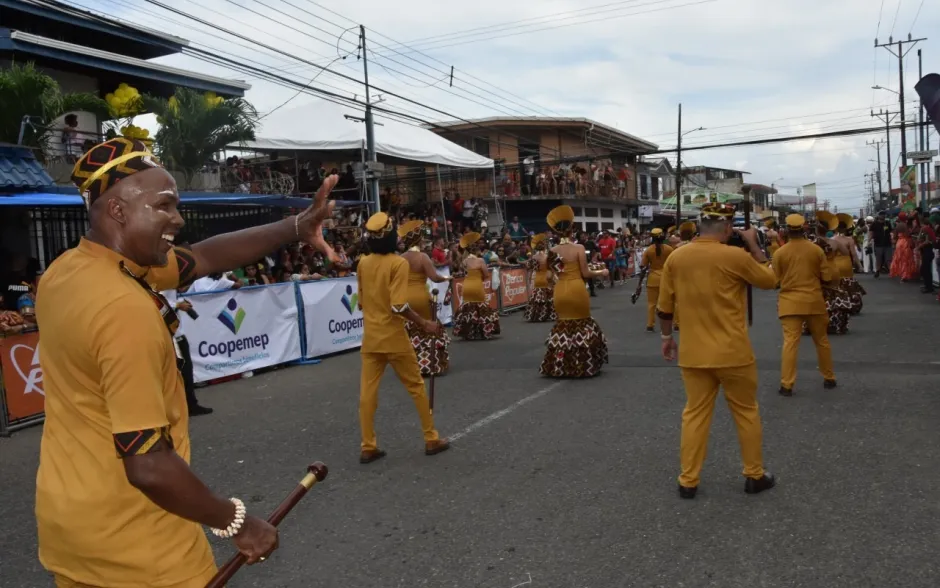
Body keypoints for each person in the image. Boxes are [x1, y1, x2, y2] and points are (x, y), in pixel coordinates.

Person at [35, 137, 341, 587]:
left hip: (71, 535)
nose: (178, 219)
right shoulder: (123, 309)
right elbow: (149, 465)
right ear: (118, 211)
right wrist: (238, 522)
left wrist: (297, 226)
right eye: (164, 206)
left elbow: (205, 256)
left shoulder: (65, 271)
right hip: (141, 548)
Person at [656, 202, 777, 499]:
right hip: (732, 351)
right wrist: (752, 243)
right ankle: (754, 475)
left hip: (694, 352)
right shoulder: (736, 256)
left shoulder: (677, 257)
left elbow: (664, 306)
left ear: (700, 226)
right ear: (726, 228)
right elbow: (770, 280)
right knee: (746, 413)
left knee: (694, 414)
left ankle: (688, 480)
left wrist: (666, 337)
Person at [356, 213, 450, 464]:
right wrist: (425, 323)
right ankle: (431, 438)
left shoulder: (363, 263)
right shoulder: (398, 264)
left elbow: (361, 303)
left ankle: (368, 445)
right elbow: (399, 306)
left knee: (367, 394)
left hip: (371, 338)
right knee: (416, 387)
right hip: (394, 336)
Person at [539, 205, 609, 378]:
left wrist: (557, 279)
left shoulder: (552, 251)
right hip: (577, 288)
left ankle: (560, 365)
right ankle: (583, 363)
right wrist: (601, 272)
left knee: (563, 324)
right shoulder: (578, 248)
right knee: (581, 323)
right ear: (572, 229)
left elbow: (549, 276)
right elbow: (585, 273)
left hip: (560, 290)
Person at [771, 214, 837, 397]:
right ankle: (829, 378)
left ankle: (787, 385)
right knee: (822, 341)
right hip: (814, 300)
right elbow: (827, 277)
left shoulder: (779, 253)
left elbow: (774, 280)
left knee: (790, 343)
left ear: (785, 231)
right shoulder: (816, 250)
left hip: (789, 303)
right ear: (804, 229)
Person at [398, 219, 452, 377]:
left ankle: (409, 366)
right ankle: (430, 363)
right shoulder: (423, 257)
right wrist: (447, 278)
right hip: (421, 297)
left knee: (410, 330)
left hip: (405, 298)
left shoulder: (400, 258)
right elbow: (434, 277)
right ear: (419, 240)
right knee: (428, 328)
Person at [810, 212, 853, 335]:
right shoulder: (834, 243)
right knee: (833, 295)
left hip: (818, 271)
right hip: (833, 269)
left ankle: (818, 322)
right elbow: (845, 253)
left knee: (818, 296)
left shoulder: (812, 243)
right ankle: (834, 321)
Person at [452, 232, 501, 340]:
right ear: (476, 249)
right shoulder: (480, 260)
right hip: (477, 286)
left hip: (467, 286)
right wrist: (481, 278)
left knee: (468, 309)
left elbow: (463, 271)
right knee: (481, 309)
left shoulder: (464, 261)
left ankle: (469, 332)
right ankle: (484, 330)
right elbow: (486, 274)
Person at [641, 228, 673, 333]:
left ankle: (650, 325)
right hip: (666, 279)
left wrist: (639, 284)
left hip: (652, 280)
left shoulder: (648, 250)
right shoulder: (669, 249)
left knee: (651, 304)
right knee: (669, 302)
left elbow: (643, 267)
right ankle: (676, 324)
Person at [834, 213, 866, 315]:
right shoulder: (849, 240)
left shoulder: (832, 240)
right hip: (847, 264)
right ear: (845, 229)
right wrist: (859, 266)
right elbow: (854, 254)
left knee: (838, 286)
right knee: (849, 286)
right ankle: (851, 305)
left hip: (835, 264)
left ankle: (839, 304)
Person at [524, 233, 556, 322]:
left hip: (538, 279)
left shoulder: (534, 257)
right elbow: (552, 268)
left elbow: (528, 266)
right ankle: (548, 314)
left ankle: (537, 315)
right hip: (545, 278)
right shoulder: (547, 257)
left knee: (538, 298)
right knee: (548, 297)